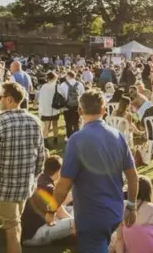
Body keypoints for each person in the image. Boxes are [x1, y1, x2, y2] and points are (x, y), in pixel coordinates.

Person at [45, 89, 139, 253]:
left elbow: (63, 184)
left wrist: (52, 209)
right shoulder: (117, 136)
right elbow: (133, 176)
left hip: (91, 215)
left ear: (80, 111)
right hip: (114, 211)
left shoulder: (77, 140)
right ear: (104, 110)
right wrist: (131, 205)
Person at [0, 83, 45, 253]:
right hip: (25, 183)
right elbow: (41, 155)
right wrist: (34, 178)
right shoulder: (35, 121)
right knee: (15, 222)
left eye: (0, 97)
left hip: (5, 186)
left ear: (9, 99)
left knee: (11, 227)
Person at [21, 155, 75, 246]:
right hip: (37, 233)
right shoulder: (48, 188)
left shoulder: (41, 178)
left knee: (76, 210)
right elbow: (62, 215)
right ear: (58, 171)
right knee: (79, 221)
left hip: (33, 227)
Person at [112, 176, 153, 253]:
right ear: (149, 191)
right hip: (152, 249)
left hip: (131, 248)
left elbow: (120, 239)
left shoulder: (122, 207)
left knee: (115, 237)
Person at [59, 71, 85, 139]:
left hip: (67, 106)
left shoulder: (63, 84)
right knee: (76, 123)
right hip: (77, 106)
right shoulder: (79, 84)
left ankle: (69, 137)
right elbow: (83, 95)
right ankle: (77, 137)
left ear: (68, 76)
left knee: (68, 123)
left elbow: (61, 96)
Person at [38, 71, 61, 147]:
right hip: (55, 108)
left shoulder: (44, 86)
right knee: (55, 124)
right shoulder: (57, 86)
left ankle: (45, 140)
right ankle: (55, 138)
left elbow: (40, 98)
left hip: (46, 109)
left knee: (46, 125)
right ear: (54, 78)